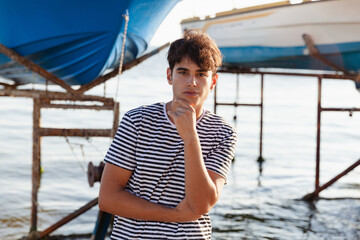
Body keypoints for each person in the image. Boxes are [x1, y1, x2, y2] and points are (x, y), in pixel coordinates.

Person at [99, 30, 237, 240]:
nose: (192, 81)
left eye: (201, 74)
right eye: (183, 72)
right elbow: (108, 198)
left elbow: (202, 204)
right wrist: (174, 215)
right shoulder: (137, 121)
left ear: (213, 81)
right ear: (169, 76)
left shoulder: (223, 132)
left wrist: (190, 136)